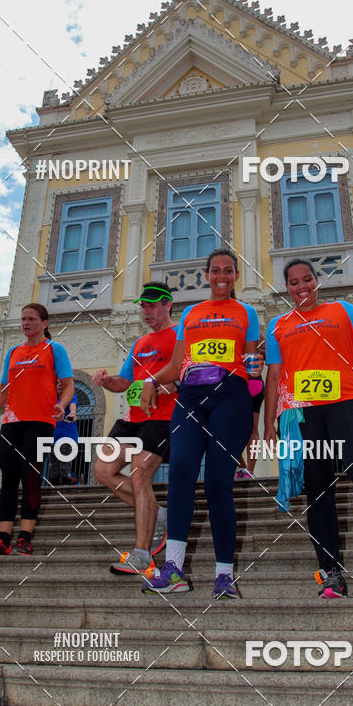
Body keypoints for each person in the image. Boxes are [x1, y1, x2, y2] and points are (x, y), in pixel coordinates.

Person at [264, 258, 353, 599]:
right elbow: (275, 374)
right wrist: (269, 421)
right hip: (302, 412)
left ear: (316, 281)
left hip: (348, 402)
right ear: (287, 288)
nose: (301, 287)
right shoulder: (278, 324)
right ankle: (330, 571)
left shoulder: (342, 310)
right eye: (294, 282)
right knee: (317, 488)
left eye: (307, 279)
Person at [141, 248, 263, 599]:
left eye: (228, 270)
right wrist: (151, 381)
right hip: (191, 397)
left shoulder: (246, 312)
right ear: (206, 275)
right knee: (179, 471)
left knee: (216, 484)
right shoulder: (192, 313)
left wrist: (256, 367)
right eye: (214, 270)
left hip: (231, 396)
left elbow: (252, 360)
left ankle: (225, 575)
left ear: (236, 275)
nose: (221, 276)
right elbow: (178, 364)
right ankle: (174, 568)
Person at [92, 283, 177, 575]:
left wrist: (163, 387)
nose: (146, 311)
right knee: (103, 470)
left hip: (163, 417)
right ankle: (157, 512)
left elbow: (187, 376)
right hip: (132, 420)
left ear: (167, 304)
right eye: (143, 306)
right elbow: (124, 382)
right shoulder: (140, 344)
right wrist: (106, 380)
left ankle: (143, 555)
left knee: (140, 475)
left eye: (152, 305)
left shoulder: (179, 336)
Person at [0, 303, 74, 556]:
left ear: (44, 323)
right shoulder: (13, 352)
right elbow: (3, 390)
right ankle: (2, 539)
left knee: (30, 476)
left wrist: (61, 405)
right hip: (12, 421)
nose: (25, 323)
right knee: (8, 478)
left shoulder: (55, 350)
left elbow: (68, 385)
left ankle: (25, 536)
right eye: (23, 319)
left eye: (31, 319)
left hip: (41, 421)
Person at [236, 334, 266, 479]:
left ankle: (243, 467)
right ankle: (248, 470)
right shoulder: (256, 334)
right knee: (253, 429)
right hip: (255, 381)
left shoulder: (232, 330)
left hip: (240, 382)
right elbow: (269, 353)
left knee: (228, 429)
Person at [49, 384, 78, 486]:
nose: (60, 385)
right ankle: (53, 495)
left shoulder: (70, 397)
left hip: (67, 438)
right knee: (53, 469)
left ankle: (65, 494)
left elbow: (72, 405)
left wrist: (73, 413)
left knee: (64, 468)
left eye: (62, 382)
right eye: (57, 383)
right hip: (54, 439)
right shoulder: (53, 400)